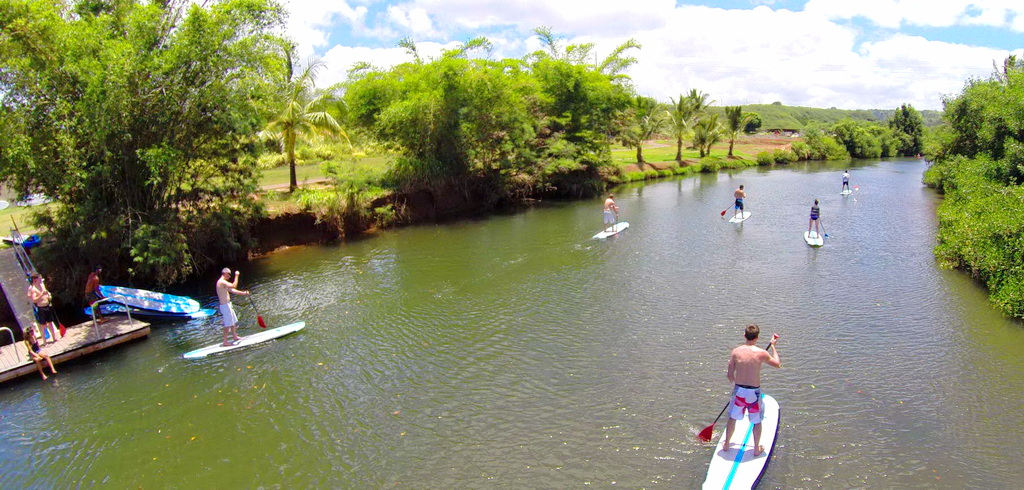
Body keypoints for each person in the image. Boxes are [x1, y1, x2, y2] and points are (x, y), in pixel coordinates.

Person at [722, 324, 780, 456]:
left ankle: (726, 444)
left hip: (739, 391)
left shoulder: (736, 352)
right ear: (757, 337)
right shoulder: (761, 353)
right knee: (756, 421)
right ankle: (756, 449)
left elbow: (730, 374)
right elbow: (777, 364)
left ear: (744, 336)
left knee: (732, 418)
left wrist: (736, 386)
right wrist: (773, 346)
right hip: (754, 393)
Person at [216, 268, 250, 346]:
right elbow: (234, 286)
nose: (230, 276)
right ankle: (225, 341)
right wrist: (236, 275)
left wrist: (244, 293)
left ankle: (235, 336)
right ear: (225, 273)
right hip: (224, 306)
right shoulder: (221, 282)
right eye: (229, 274)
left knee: (233, 321)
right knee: (227, 324)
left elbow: (233, 290)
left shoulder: (224, 283)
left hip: (228, 304)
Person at [27, 273, 60, 344]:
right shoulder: (33, 289)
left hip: (47, 305)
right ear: (35, 280)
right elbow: (34, 300)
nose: (41, 280)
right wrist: (41, 294)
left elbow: (46, 292)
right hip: (41, 308)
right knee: (43, 325)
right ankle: (45, 341)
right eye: (39, 279)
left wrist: (49, 295)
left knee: (50, 322)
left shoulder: (42, 285)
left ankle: (54, 338)